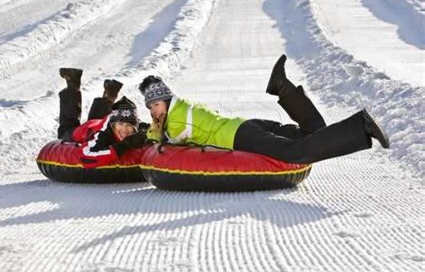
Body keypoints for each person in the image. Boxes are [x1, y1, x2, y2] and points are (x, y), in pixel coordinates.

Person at [138, 55, 389, 165]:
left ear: (167, 99)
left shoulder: (179, 116)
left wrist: (150, 134)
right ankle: (283, 87)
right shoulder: (179, 109)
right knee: (315, 133)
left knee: (297, 153)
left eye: (156, 105)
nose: (154, 111)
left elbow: (170, 143)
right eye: (149, 107)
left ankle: (360, 125)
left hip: (240, 136)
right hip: (245, 126)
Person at [57, 68, 146, 168]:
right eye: (121, 124)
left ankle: (108, 96)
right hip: (85, 131)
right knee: (66, 128)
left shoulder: (135, 128)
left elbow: (148, 129)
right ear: (114, 125)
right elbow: (86, 155)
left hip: (98, 123)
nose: (124, 129)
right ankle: (72, 84)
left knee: (98, 122)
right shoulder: (103, 135)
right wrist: (122, 146)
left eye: (129, 125)